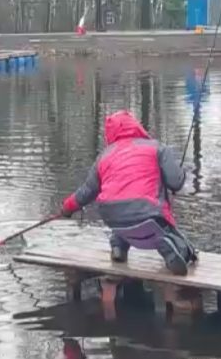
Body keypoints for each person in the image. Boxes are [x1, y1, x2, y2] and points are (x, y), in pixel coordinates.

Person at [59, 110, 197, 275]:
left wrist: (67, 208)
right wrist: (180, 174)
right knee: (166, 232)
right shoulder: (157, 148)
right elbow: (176, 182)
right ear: (136, 126)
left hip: (111, 216)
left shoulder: (104, 156)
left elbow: (87, 192)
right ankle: (172, 247)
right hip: (148, 213)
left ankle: (118, 247)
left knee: (122, 218)